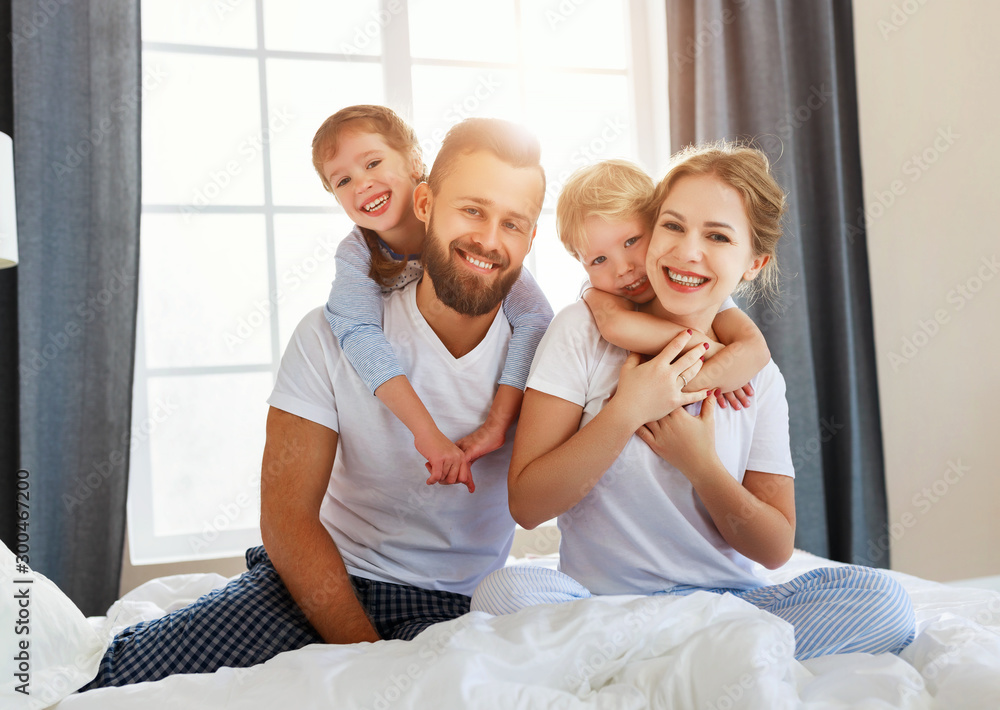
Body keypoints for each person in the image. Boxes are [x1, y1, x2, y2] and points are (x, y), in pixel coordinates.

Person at [81, 116, 548, 690]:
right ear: (426, 203)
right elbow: (287, 517)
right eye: (472, 210)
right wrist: (364, 652)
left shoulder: (545, 348)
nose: (488, 239)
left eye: (513, 223)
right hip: (323, 581)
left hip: (454, 605)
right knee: (117, 680)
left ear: (531, 238)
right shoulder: (334, 327)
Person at [471, 142, 915, 661]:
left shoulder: (758, 374)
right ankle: (701, 663)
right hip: (602, 605)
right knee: (502, 595)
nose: (686, 251)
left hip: (726, 607)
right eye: (674, 226)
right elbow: (527, 507)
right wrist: (625, 412)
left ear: (754, 263)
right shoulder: (583, 331)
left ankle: (656, 663)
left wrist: (701, 466)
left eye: (718, 236)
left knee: (884, 603)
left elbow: (774, 549)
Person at [316, 105, 553, 491]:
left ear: (415, 163)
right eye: (342, 181)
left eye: (373, 163)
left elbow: (536, 321)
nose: (361, 184)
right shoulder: (357, 254)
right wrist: (425, 433)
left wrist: (496, 425)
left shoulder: (473, 243)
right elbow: (356, 328)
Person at [555, 158, 770, 408]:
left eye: (631, 241)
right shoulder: (592, 307)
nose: (623, 269)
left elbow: (755, 348)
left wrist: (724, 370)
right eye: (599, 259)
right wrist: (712, 353)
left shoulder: (700, 295)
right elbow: (616, 326)